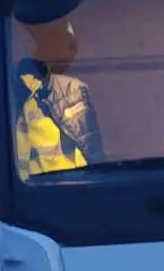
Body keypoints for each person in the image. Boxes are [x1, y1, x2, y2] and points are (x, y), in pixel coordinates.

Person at [13, 17, 105, 177]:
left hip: (74, 193)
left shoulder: (73, 89)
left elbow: (94, 153)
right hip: (32, 196)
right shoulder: (9, 93)